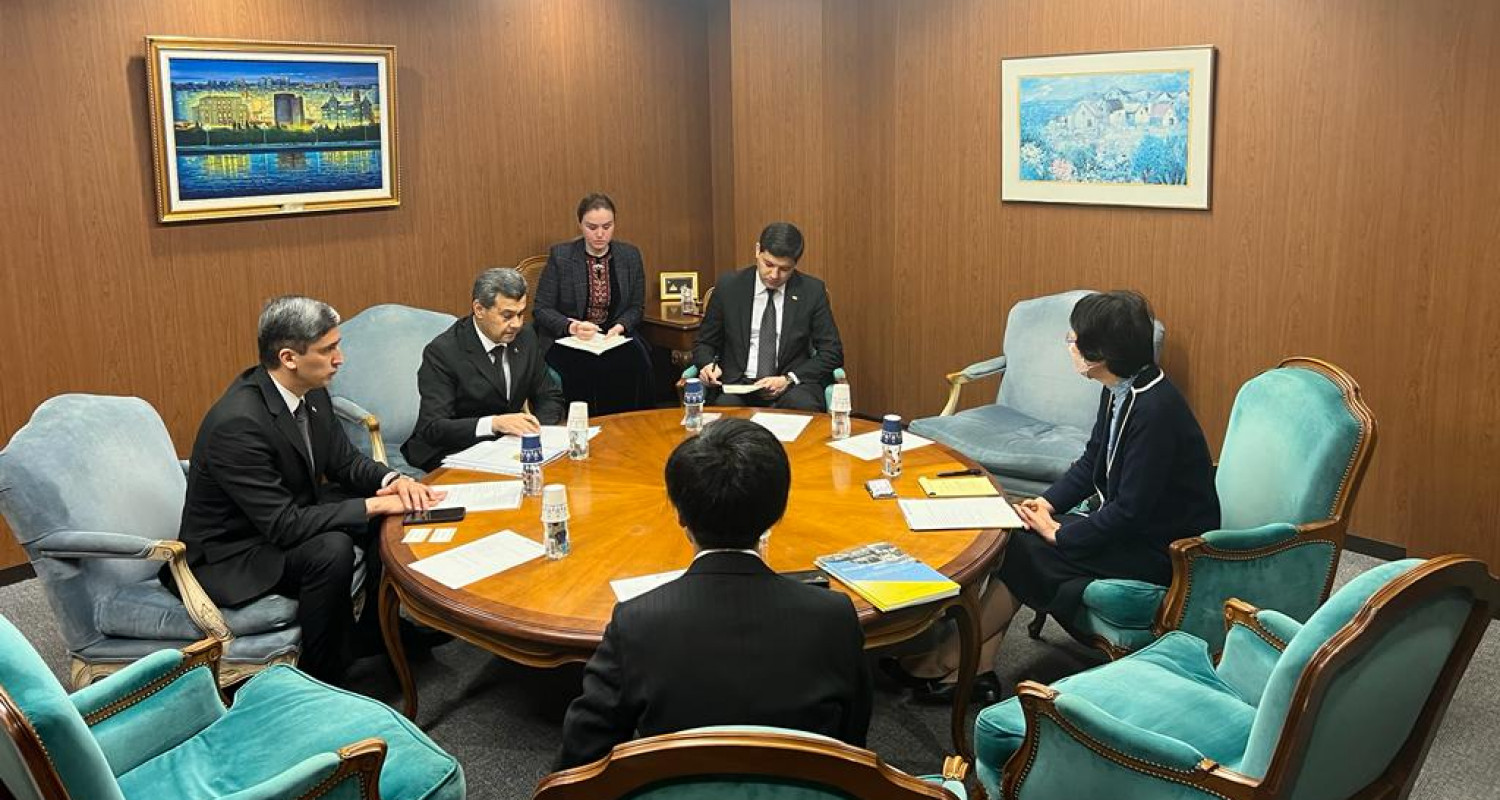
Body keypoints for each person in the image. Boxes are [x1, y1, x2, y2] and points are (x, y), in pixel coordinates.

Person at [887, 290, 1220, 704]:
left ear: (1100, 355)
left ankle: (952, 660)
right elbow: (1092, 461)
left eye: (1074, 339)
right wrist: (1048, 504)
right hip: (1128, 526)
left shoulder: (1156, 411)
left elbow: (1131, 512)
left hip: (1161, 549)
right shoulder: (1119, 388)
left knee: (1029, 547)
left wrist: (1061, 534)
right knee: (1017, 535)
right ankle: (974, 668)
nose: (1069, 345)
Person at [555, 418, 872, 769]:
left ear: (680, 515)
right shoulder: (835, 617)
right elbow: (852, 745)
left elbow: (581, 760)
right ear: (778, 512)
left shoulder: (636, 623)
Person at [177, 296, 446, 684]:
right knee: (330, 549)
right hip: (235, 551)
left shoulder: (312, 392)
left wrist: (393, 481)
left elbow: (345, 463)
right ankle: (324, 675)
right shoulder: (237, 423)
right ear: (288, 358)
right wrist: (373, 505)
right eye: (328, 350)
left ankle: (376, 630)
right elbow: (283, 525)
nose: (340, 359)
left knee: (384, 516)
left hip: (285, 516)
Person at [403, 267, 567, 471]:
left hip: (508, 446)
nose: (516, 324)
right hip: (453, 450)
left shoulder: (525, 338)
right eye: (507, 316)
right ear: (479, 309)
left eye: (520, 314)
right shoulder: (443, 352)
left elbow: (549, 395)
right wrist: (494, 424)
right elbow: (433, 427)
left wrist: (535, 432)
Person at [692, 222, 843, 411]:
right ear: (758, 251)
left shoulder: (811, 291)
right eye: (768, 264)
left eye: (784, 269)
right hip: (738, 385)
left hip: (790, 385)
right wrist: (707, 365)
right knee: (727, 411)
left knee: (803, 406)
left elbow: (832, 352)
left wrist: (788, 379)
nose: (774, 275)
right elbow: (704, 343)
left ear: (795, 264)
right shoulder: (729, 286)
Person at [532, 193, 653, 415]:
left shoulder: (630, 256)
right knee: (586, 370)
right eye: (592, 227)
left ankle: (630, 426)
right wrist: (572, 326)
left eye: (607, 226)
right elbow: (541, 308)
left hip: (613, 336)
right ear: (580, 224)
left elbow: (636, 307)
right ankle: (589, 427)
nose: (600, 234)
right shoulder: (561, 256)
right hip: (570, 338)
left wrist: (620, 327)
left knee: (637, 364)